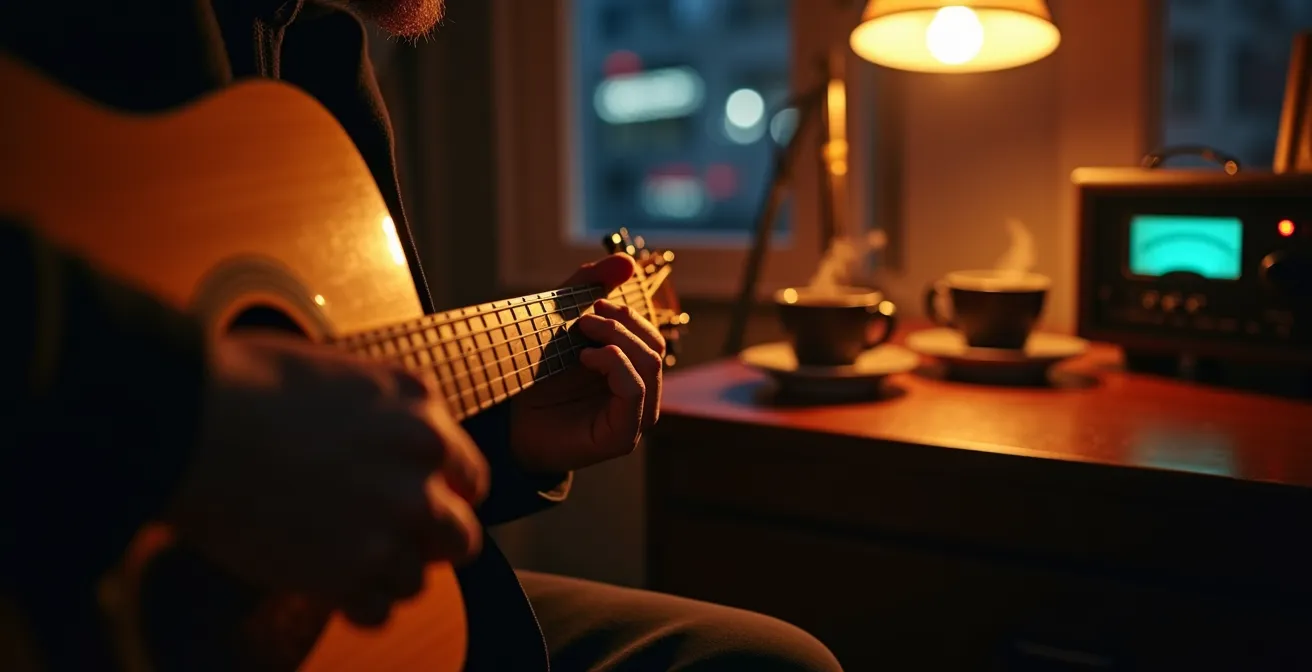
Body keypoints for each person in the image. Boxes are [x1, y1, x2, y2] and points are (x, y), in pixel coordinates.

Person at [0, 0, 845, 670]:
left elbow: (338, 413)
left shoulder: (323, 56)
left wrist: (510, 439)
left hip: (279, 615)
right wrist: (191, 410)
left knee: (764, 660)